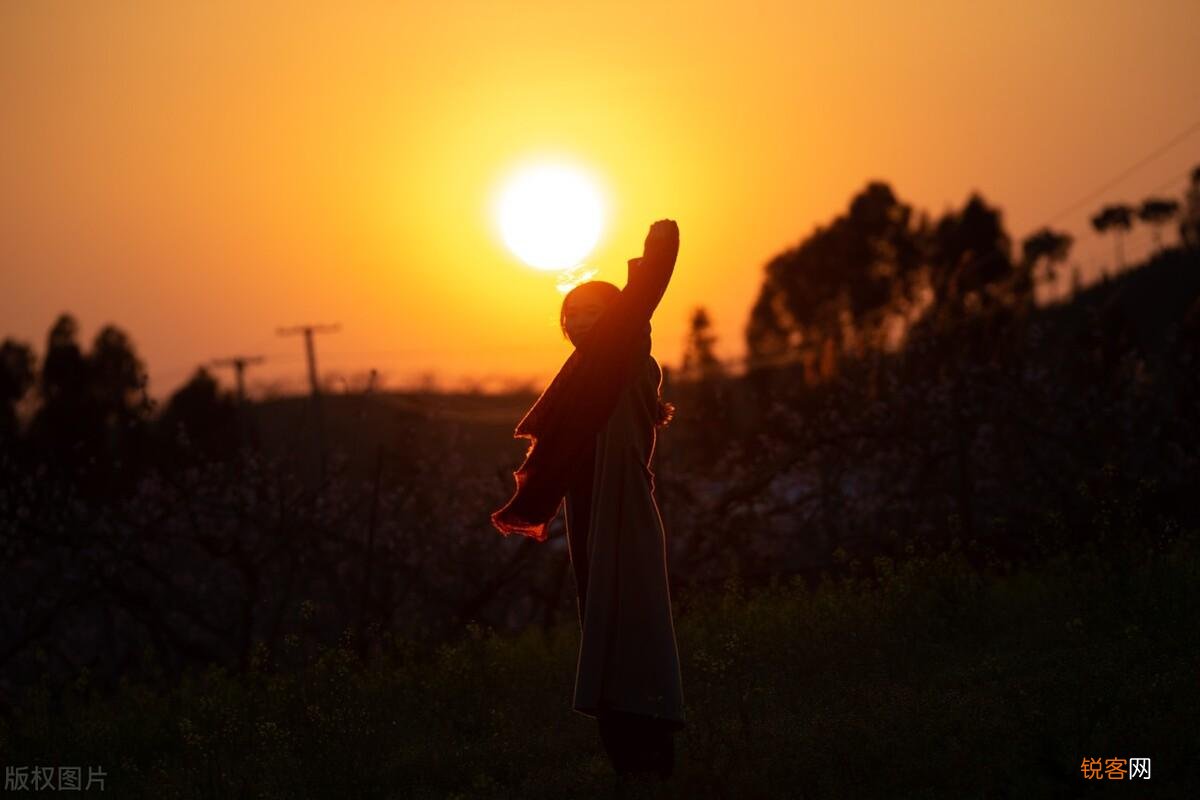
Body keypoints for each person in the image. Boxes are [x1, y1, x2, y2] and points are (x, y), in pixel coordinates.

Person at [557, 222, 686, 780]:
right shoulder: (580, 376)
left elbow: (633, 320)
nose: (582, 323)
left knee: (633, 629)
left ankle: (651, 755)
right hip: (587, 518)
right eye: (573, 316)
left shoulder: (625, 363)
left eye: (594, 314)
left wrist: (655, 264)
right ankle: (629, 763)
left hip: (623, 515)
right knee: (604, 635)